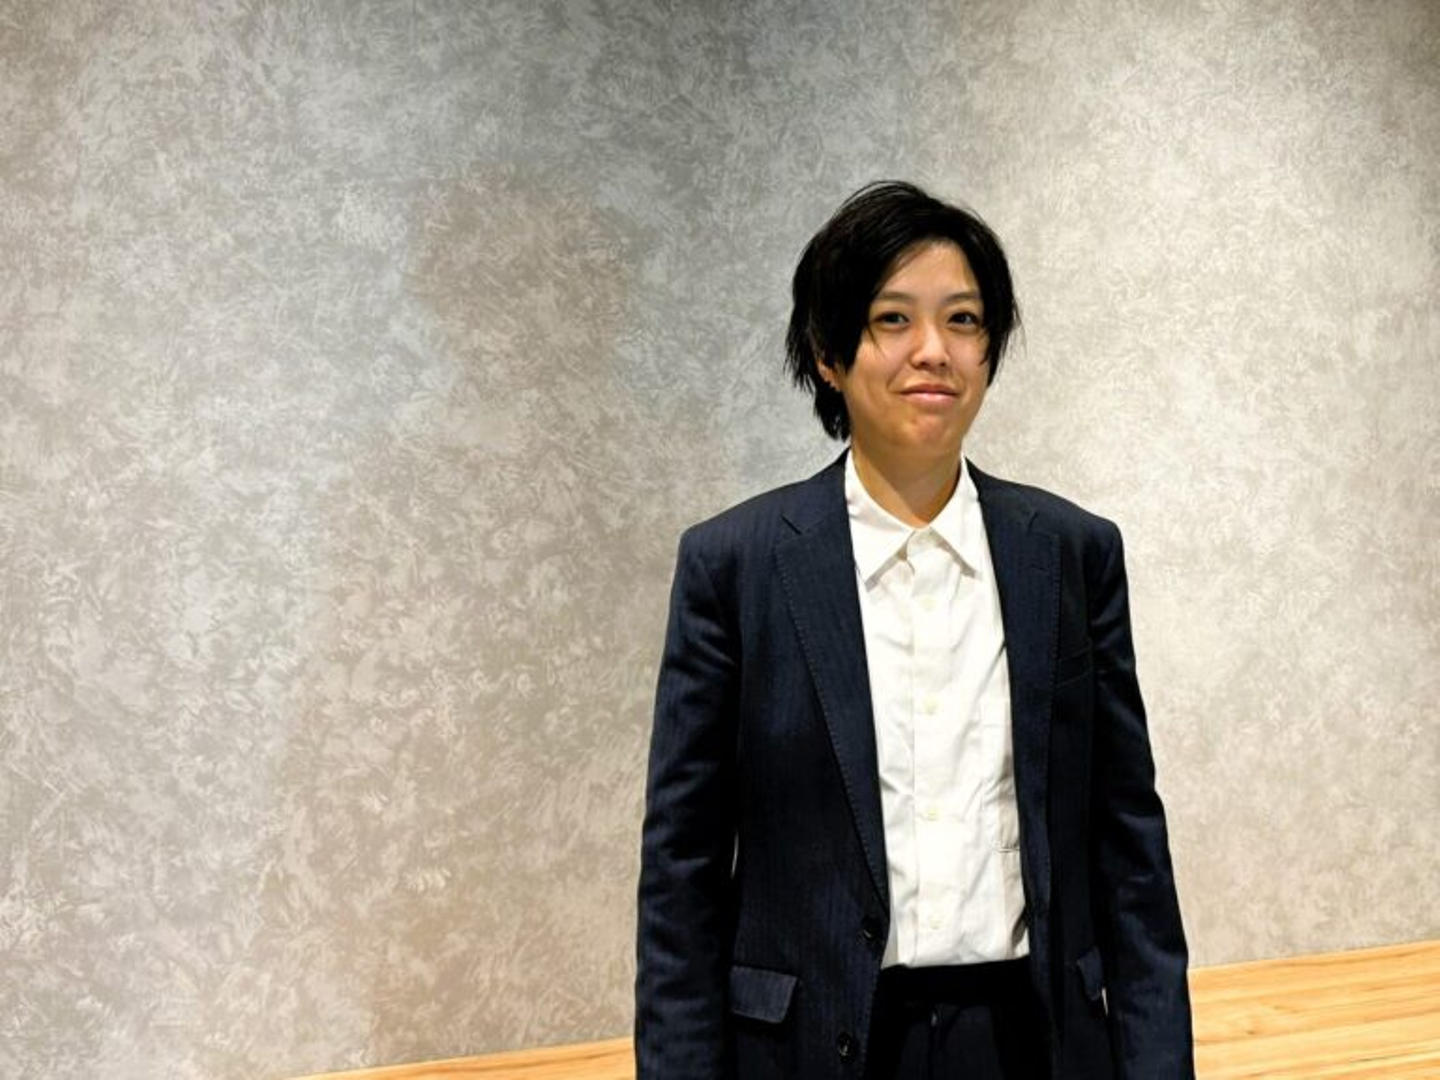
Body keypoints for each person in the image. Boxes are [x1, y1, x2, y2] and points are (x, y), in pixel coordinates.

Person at [635, 180, 1193, 1079]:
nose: (933, 351)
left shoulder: (1072, 553)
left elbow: (1130, 847)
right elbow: (682, 872)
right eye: (892, 319)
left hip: (1034, 1041)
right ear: (828, 353)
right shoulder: (734, 567)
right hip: (814, 1049)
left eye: (963, 320)